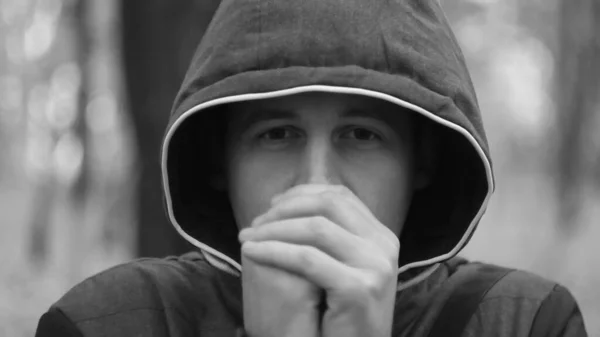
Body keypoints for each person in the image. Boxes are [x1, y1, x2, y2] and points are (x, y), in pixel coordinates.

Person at [35, 0, 588, 336]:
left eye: (361, 136)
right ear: (219, 163)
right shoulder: (108, 323)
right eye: (277, 135)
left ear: (422, 163)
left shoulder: (525, 321)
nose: (317, 182)